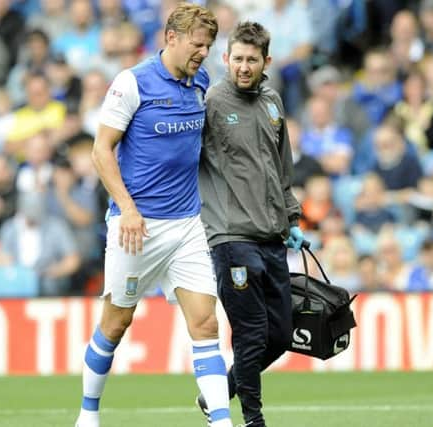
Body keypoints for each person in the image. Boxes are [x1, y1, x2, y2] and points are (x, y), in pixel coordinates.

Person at [74, 4, 233, 427]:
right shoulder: (132, 83)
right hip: (136, 228)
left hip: (186, 225)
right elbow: (100, 149)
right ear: (172, 38)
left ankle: (221, 421)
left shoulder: (201, 81)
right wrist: (126, 209)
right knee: (116, 322)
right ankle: (88, 413)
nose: (203, 52)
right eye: (197, 44)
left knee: (205, 324)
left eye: (209, 45)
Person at [197, 21, 304, 427]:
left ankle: (220, 391)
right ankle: (253, 420)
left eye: (252, 60)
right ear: (225, 59)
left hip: (272, 236)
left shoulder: (273, 102)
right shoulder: (210, 103)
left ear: (266, 61)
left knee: (281, 334)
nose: (244, 66)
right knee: (251, 334)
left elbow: (283, 168)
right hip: (230, 236)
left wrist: (291, 218)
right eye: (237, 59)